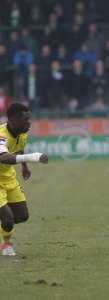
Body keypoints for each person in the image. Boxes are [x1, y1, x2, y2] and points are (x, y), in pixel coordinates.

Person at [0, 103, 49, 256]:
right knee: (7, 219)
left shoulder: (22, 134)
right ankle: (6, 245)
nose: (29, 123)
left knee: (22, 216)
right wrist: (33, 157)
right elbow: (4, 158)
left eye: (29, 119)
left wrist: (24, 166)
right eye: (26, 120)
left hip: (9, 178)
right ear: (13, 120)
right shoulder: (1, 136)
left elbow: (19, 149)